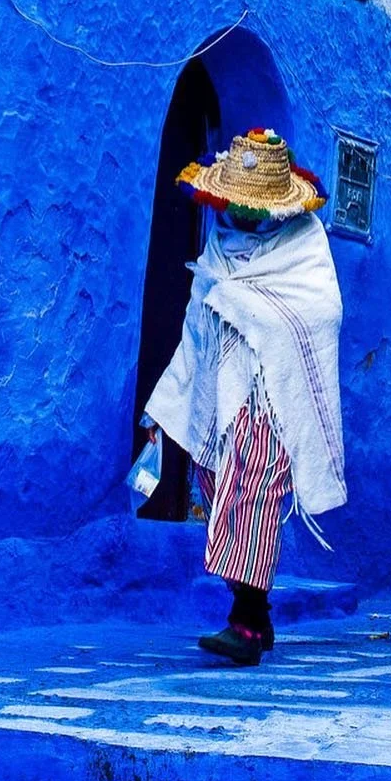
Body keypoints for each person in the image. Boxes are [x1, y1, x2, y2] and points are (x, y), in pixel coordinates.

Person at [144, 128, 346, 666]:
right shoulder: (219, 244)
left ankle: (248, 625)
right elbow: (197, 322)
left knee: (251, 495)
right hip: (222, 396)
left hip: (274, 399)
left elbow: (321, 314)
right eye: (238, 205)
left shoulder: (303, 246)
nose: (245, 216)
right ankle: (258, 615)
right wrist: (169, 398)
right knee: (220, 492)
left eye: (256, 208)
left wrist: (251, 308)